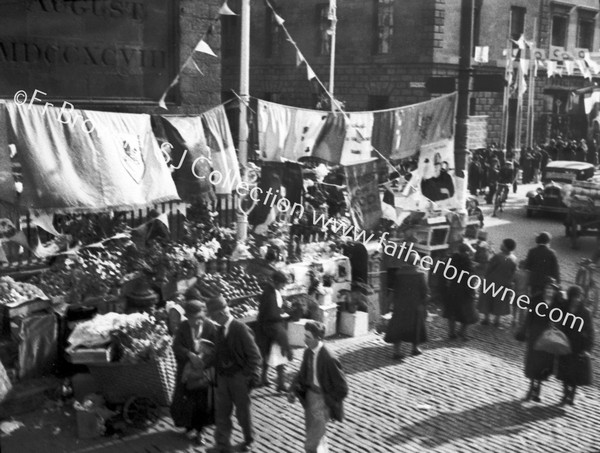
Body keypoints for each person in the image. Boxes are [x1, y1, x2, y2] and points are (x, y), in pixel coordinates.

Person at [207, 295, 262, 453]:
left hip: (239, 377)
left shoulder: (240, 329)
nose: (212, 319)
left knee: (243, 412)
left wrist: (246, 376)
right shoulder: (219, 330)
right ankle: (222, 444)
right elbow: (217, 352)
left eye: (213, 316)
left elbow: (255, 356)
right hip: (223, 377)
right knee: (222, 411)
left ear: (222, 314)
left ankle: (249, 440)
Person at [288, 321, 348, 453]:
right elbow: (302, 373)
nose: (304, 340)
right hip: (309, 398)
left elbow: (342, 388)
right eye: (305, 336)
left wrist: (328, 401)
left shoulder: (329, 358)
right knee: (313, 433)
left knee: (311, 443)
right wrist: (293, 389)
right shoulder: (308, 352)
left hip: (322, 401)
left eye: (308, 337)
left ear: (318, 338)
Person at [171, 299, 218, 446]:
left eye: (199, 318)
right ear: (188, 317)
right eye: (193, 319)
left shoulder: (210, 327)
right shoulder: (183, 328)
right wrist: (189, 355)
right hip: (186, 371)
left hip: (203, 372)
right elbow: (176, 346)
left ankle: (200, 431)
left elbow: (217, 349)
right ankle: (188, 426)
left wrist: (204, 361)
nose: (197, 322)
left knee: (202, 402)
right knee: (186, 399)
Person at [518, 278, 562, 402]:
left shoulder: (557, 302)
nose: (549, 291)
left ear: (555, 291)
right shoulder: (536, 300)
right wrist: (524, 331)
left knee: (545, 363)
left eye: (552, 289)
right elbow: (529, 317)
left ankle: (538, 390)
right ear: (544, 289)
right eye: (548, 288)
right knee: (534, 362)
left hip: (549, 337)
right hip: (535, 335)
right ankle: (531, 387)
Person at [556, 285, 595, 406]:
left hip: (578, 345)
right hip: (564, 343)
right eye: (574, 297)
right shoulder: (564, 308)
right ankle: (565, 393)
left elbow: (590, 331)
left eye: (579, 297)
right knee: (564, 371)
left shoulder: (585, 312)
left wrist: (587, 348)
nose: (576, 299)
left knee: (574, 372)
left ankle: (571, 394)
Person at [256, 271, 292, 392]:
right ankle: (279, 383)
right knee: (280, 353)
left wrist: (281, 309)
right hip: (271, 327)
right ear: (276, 282)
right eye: (282, 284)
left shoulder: (272, 291)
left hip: (266, 327)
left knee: (267, 352)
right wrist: (281, 315)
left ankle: (264, 378)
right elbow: (271, 314)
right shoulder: (269, 294)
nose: (283, 286)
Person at [384, 262, 429, 359]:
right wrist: (424, 304)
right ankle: (415, 348)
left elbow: (394, 289)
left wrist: (389, 304)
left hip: (401, 305)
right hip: (415, 305)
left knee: (398, 327)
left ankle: (396, 351)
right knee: (416, 325)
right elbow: (424, 291)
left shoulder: (399, 273)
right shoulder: (421, 274)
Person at [479, 238, 518, 327]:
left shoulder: (498, 256)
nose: (500, 245)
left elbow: (489, 268)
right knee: (499, 301)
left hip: (491, 281)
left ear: (505, 247)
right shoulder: (513, 259)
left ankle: (486, 319)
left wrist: (485, 277)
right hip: (504, 283)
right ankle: (497, 320)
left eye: (502, 244)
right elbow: (513, 272)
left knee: (487, 300)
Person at [443, 243, 478, 340]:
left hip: (453, 288)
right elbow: (471, 277)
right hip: (465, 289)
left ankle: (451, 332)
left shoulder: (451, 259)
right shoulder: (468, 262)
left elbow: (446, 273)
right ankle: (462, 332)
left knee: (452, 312)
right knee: (467, 312)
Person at [524, 232, 560, 296]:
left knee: (534, 299)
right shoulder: (551, 253)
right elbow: (555, 269)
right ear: (548, 241)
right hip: (547, 282)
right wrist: (558, 282)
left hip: (534, 280)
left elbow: (527, 266)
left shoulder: (532, 251)